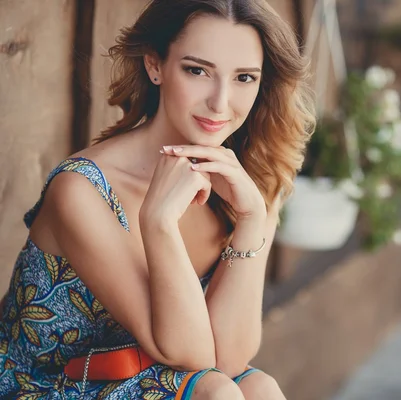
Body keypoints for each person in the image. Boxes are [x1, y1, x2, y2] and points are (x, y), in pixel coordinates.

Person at [0, 0, 315, 398]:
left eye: (244, 78)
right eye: (197, 70)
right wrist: (158, 223)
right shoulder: (82, 190)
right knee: (215, 393)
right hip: (42, 385)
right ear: (155, 66)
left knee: (259, 386)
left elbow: (230, 358)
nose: (220, 102)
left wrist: (254, 219)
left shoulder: (251, 183)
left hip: (153, 375)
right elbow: (192, 358)